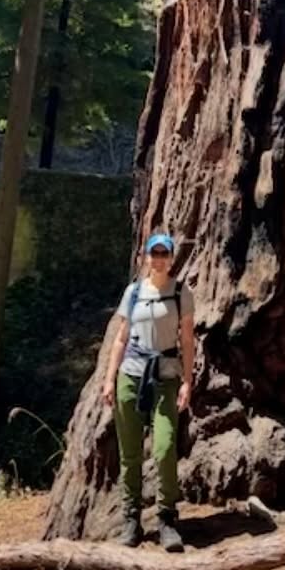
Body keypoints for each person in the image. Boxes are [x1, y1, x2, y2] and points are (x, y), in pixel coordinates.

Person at [102, 231, 194, 549]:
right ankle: (131, 520)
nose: (159, 259)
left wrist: (187, 381)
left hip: (166, 377)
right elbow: (121, 338)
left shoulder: (181, 292)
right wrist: (109, 379)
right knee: (130, 454)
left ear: (171, 258)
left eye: (164, 254)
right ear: (146, 257)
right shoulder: (134, 292)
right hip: (130, 376)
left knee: (165, 448)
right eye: (154, 254)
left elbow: (187, 340)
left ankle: (167, 518)